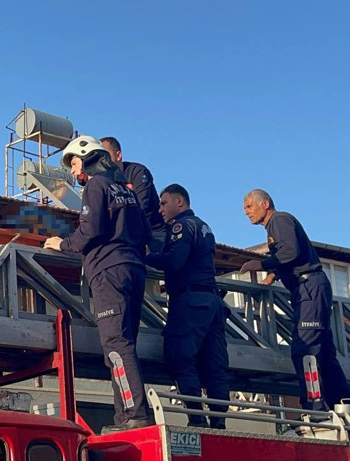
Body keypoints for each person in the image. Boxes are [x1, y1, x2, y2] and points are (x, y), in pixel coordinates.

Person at [44, 135, 155, 434]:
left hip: (108, 272)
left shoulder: (96, 185)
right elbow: (146, 233)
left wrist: (63, 243)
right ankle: (127, 417)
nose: (72, 170)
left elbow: (90, 229)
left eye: (74, 162)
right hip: (134, 270)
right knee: (126, 345)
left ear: (89, 159)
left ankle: (135, 414)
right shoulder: (126, 191)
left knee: (116, 347)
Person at [241, 189, 350, 411]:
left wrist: (262, 264)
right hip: (309, 288)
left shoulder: (280, 220)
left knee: (305, 349)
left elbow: (290, 252)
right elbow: (291, 256)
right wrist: (273, 276)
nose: (246, 212)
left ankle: (314, 407)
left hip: (309, 287)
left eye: (249, 206)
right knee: (323, 350)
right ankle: (342, 402)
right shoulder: (276, 226)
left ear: (264, 204)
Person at [146, 184, 229, 429]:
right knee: (214, 366)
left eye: (164, 203)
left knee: (180, 357)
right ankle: (218, 423)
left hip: (190, 300)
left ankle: (196, 418)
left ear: (179, 201)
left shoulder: (180, 227)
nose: (160, 209)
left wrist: (146, 256)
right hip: (212, 302)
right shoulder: (203, 226)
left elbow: (175, 261)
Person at [99, 137, 166, 248]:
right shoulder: (104, 181)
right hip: (123, 234)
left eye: (106, 156)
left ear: (118, 155)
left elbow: (140, 207)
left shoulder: (137, 172)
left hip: (153, 233)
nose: (103, 161)